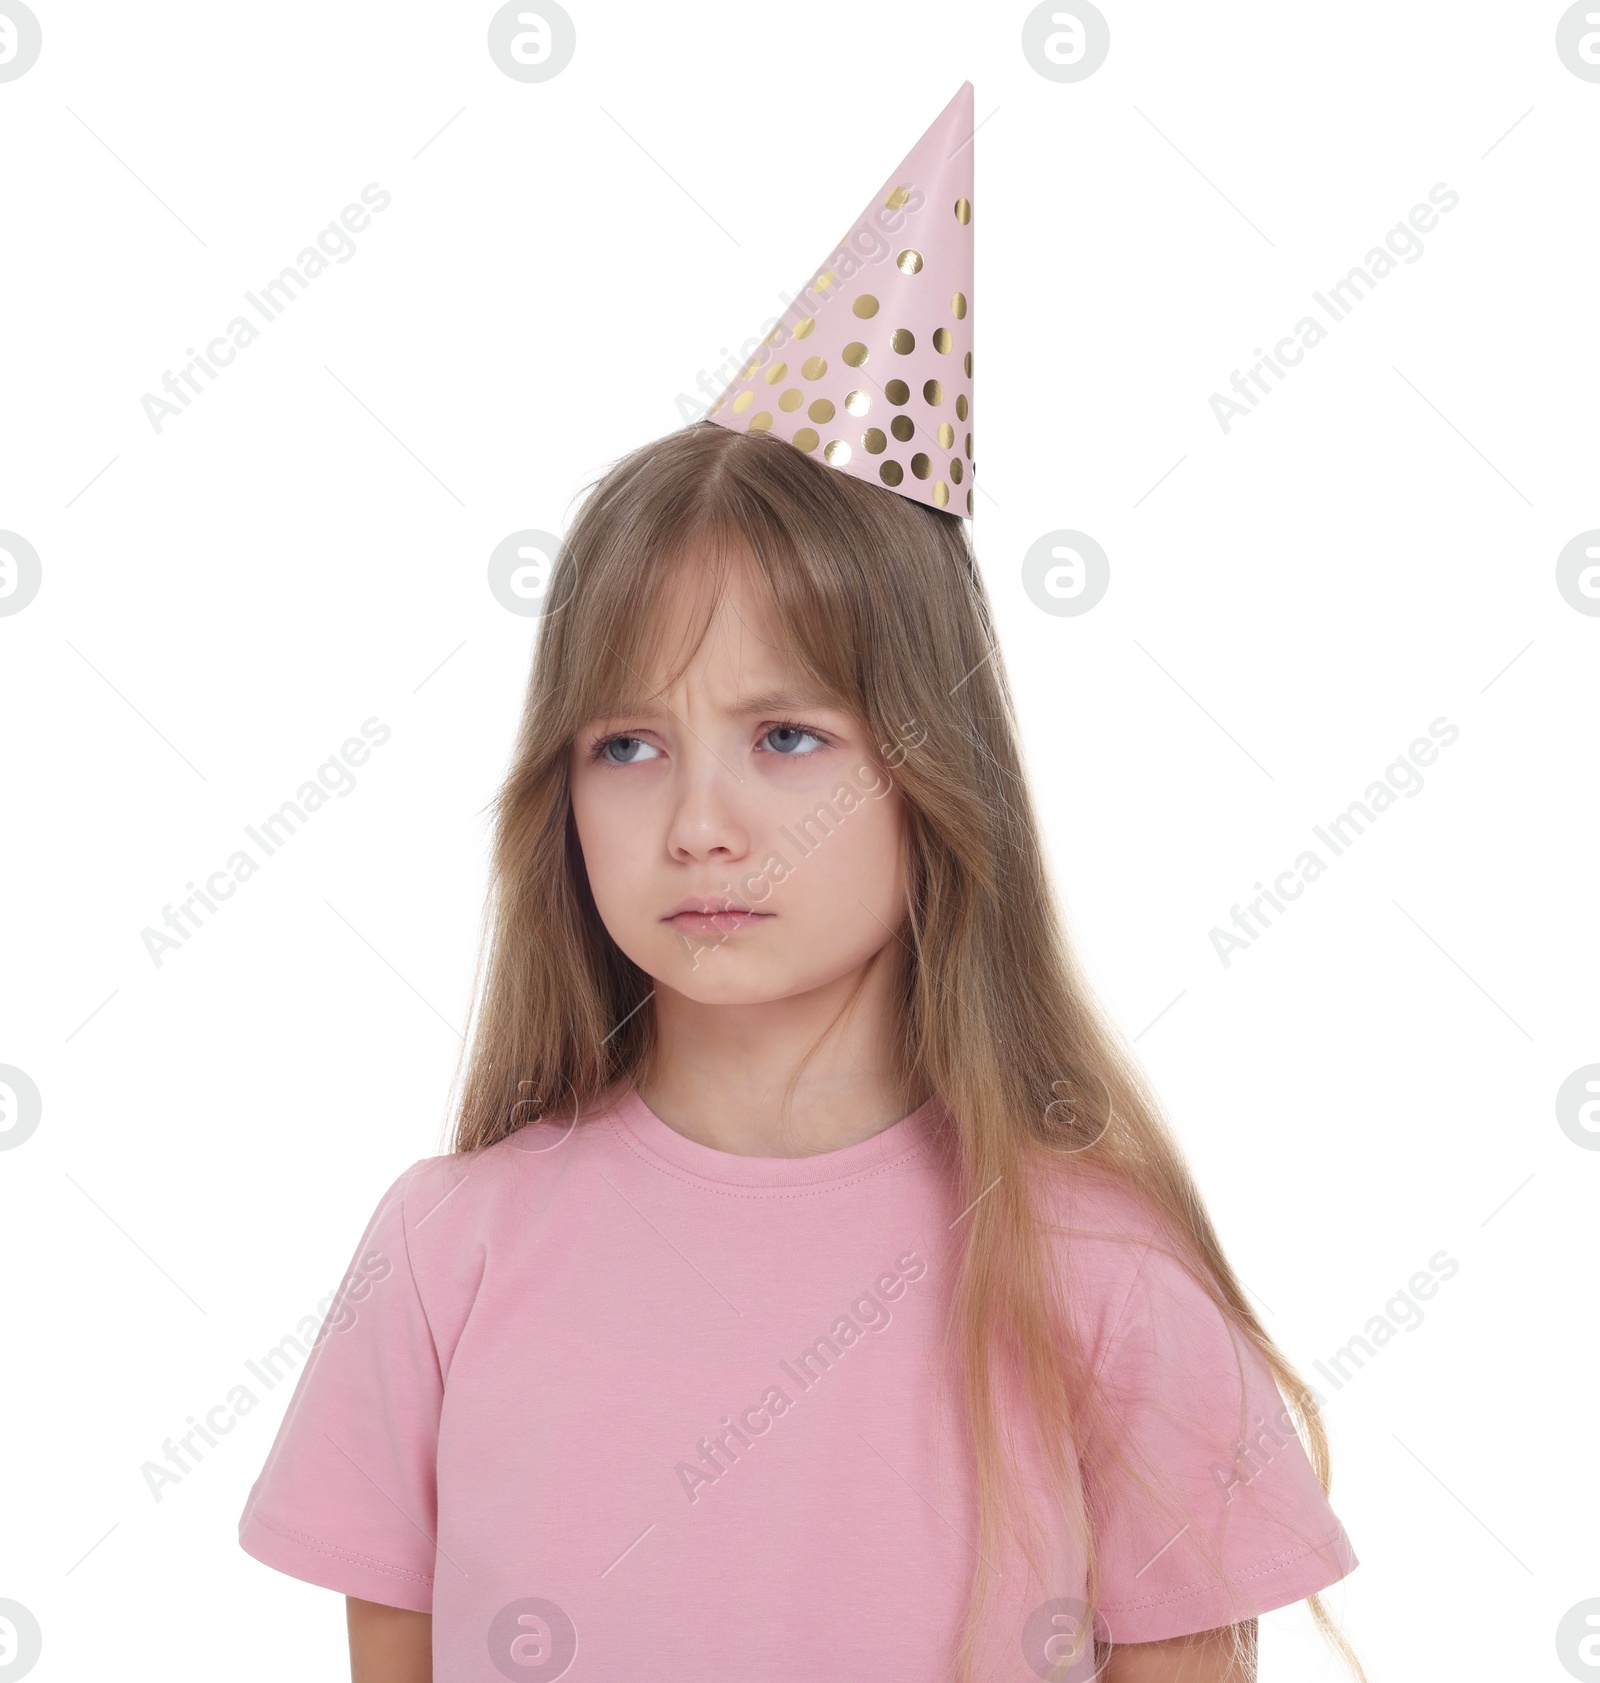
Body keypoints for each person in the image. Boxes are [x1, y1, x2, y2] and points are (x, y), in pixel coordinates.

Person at [238, 84, 1362, 1683]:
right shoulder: (448, 1254)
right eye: (625, 745)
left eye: (784, 736)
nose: (699, 822)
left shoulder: (1097, 1279)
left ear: (931, 769)